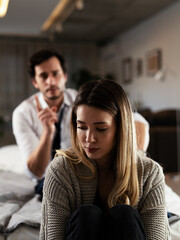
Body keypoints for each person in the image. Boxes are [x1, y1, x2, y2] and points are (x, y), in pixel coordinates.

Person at [40, 79, 170, 240]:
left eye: (101, 129)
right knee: (86, 215)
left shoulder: (150, 172)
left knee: (124, 215)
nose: (89, 138)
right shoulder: (61, 169)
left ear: (121, 128)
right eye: (81, 127)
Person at [12, 49, 77, 195]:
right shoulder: (22, 113)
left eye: (56, 73)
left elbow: (132, 117)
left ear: (65, 76)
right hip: (47, 181)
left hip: (82, 176)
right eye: (43, 76)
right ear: (35, 82)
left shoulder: (81, 101)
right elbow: (36, 171)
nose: (51, 81)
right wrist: (48, 133)